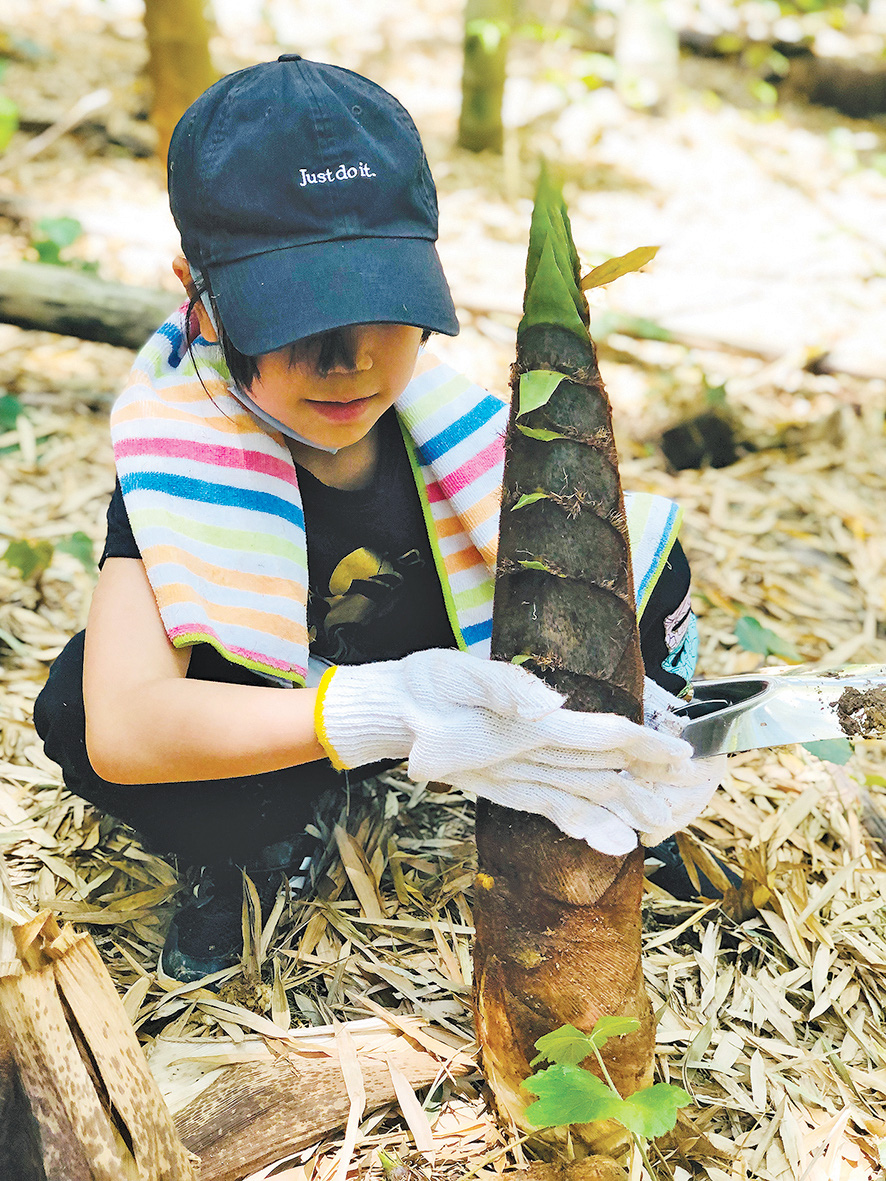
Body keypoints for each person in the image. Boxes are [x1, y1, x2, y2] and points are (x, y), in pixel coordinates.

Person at [34, 55, 716, 983]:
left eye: (380, 307)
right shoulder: (182, 468)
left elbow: (629, 575)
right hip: (301, 719)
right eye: (297, 316)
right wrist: (383, 710)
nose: (348, 359)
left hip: (453, 673)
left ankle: (619, 800)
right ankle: (246, 850)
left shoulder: (453, 441)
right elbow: (123, 723)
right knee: (74, 706)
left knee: (639, 563)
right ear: (199, 298)